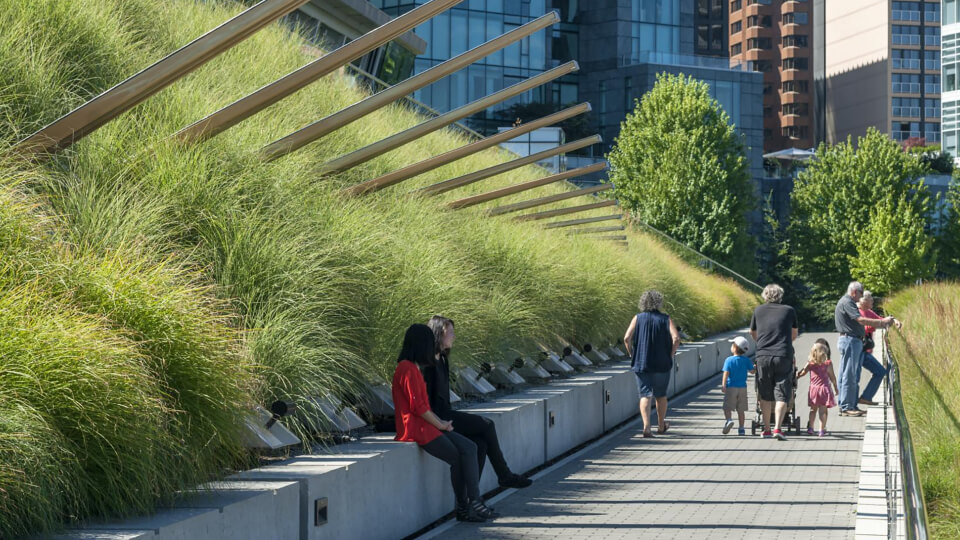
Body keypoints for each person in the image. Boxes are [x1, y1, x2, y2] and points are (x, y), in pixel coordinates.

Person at [391, 324, 498, 522]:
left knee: (470, 447)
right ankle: (469, 505)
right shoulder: (406, 368)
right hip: (416, 428)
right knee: (458, 458)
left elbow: (424, 406)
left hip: (427, 424)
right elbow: (418, 408)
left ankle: (471, 504)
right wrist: (440, 425)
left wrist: (441, 422)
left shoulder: (414, 367)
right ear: (421, 344)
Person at [422, 316, 532, 489]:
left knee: (480, 444)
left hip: (446, 413)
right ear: (439, 333)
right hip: (437, 417)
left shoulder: (442, 358)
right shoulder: (427, 363)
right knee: (487, 425)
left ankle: (472, 498)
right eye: (450, 332)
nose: (454, 336)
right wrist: (439, 422)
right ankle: (504, 475)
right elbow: (424, 402)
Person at [835, 282, 899, 416]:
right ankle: (847, 407)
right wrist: (882, 322)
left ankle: (848, 405)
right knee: (849, 375)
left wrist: (889, 320)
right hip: (851, 341)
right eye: (860, 293)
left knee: (848, 374)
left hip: (851, 341)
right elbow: (861, 320)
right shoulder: (848, 302)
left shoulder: (847, 302)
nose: (861, 297)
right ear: (854, 292)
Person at [623, 290, 681, 438]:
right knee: (660, 395)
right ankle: (661, 426)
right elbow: (676, 338)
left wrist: (631, 354)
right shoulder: (665, 319)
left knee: (645, 395)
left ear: (643, 302)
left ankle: (646, 427)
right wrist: (671, 354)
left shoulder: (637, 318)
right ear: (659, 302)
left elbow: (626, 338)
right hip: (662, 363)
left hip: (642, 362)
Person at [750, 283, 798, 441]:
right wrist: (784, 344)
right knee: (782, 394)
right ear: (780, 296)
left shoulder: (758, 310)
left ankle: (767, 429)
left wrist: (762, 344)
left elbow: (753, 332)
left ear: (765, 295)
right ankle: (778, 427)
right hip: (783, 355)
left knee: (765, 394)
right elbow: (794, 333)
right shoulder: (789, 310)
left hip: (763, 355)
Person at [797, 340, 838, 437]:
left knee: (813, 410)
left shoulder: (810, 363)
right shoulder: (828, 363)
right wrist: (836, 388)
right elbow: (832, 377)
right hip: (824, 390)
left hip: (813, 390)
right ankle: (821, 430)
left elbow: (802, 373)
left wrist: (796, 376)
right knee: (822, 411)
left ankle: (811, 428)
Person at [857, 291, 890, 406]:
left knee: (880, 371)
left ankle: (866, 397)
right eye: (870, 299)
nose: (872, 301)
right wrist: (872, 326)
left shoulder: (868, 311)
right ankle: (859, 400)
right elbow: (861, 328)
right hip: (859, 349)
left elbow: (881, 320)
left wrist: (893, 320)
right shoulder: (857, 311)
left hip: (864, 350)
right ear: (863, 301)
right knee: (878, 371)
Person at [721, 336, 755, 436]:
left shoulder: (729, 360)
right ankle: (741, 429)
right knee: (741, 410)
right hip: (742, 388)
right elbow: (752, 371)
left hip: (731, 387)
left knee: (727, 407)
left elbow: (726, 373)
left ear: (735, 348)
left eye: (732, 345)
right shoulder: (746, 360)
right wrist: (755, 367)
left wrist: (723, 385)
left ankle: (729, 420)